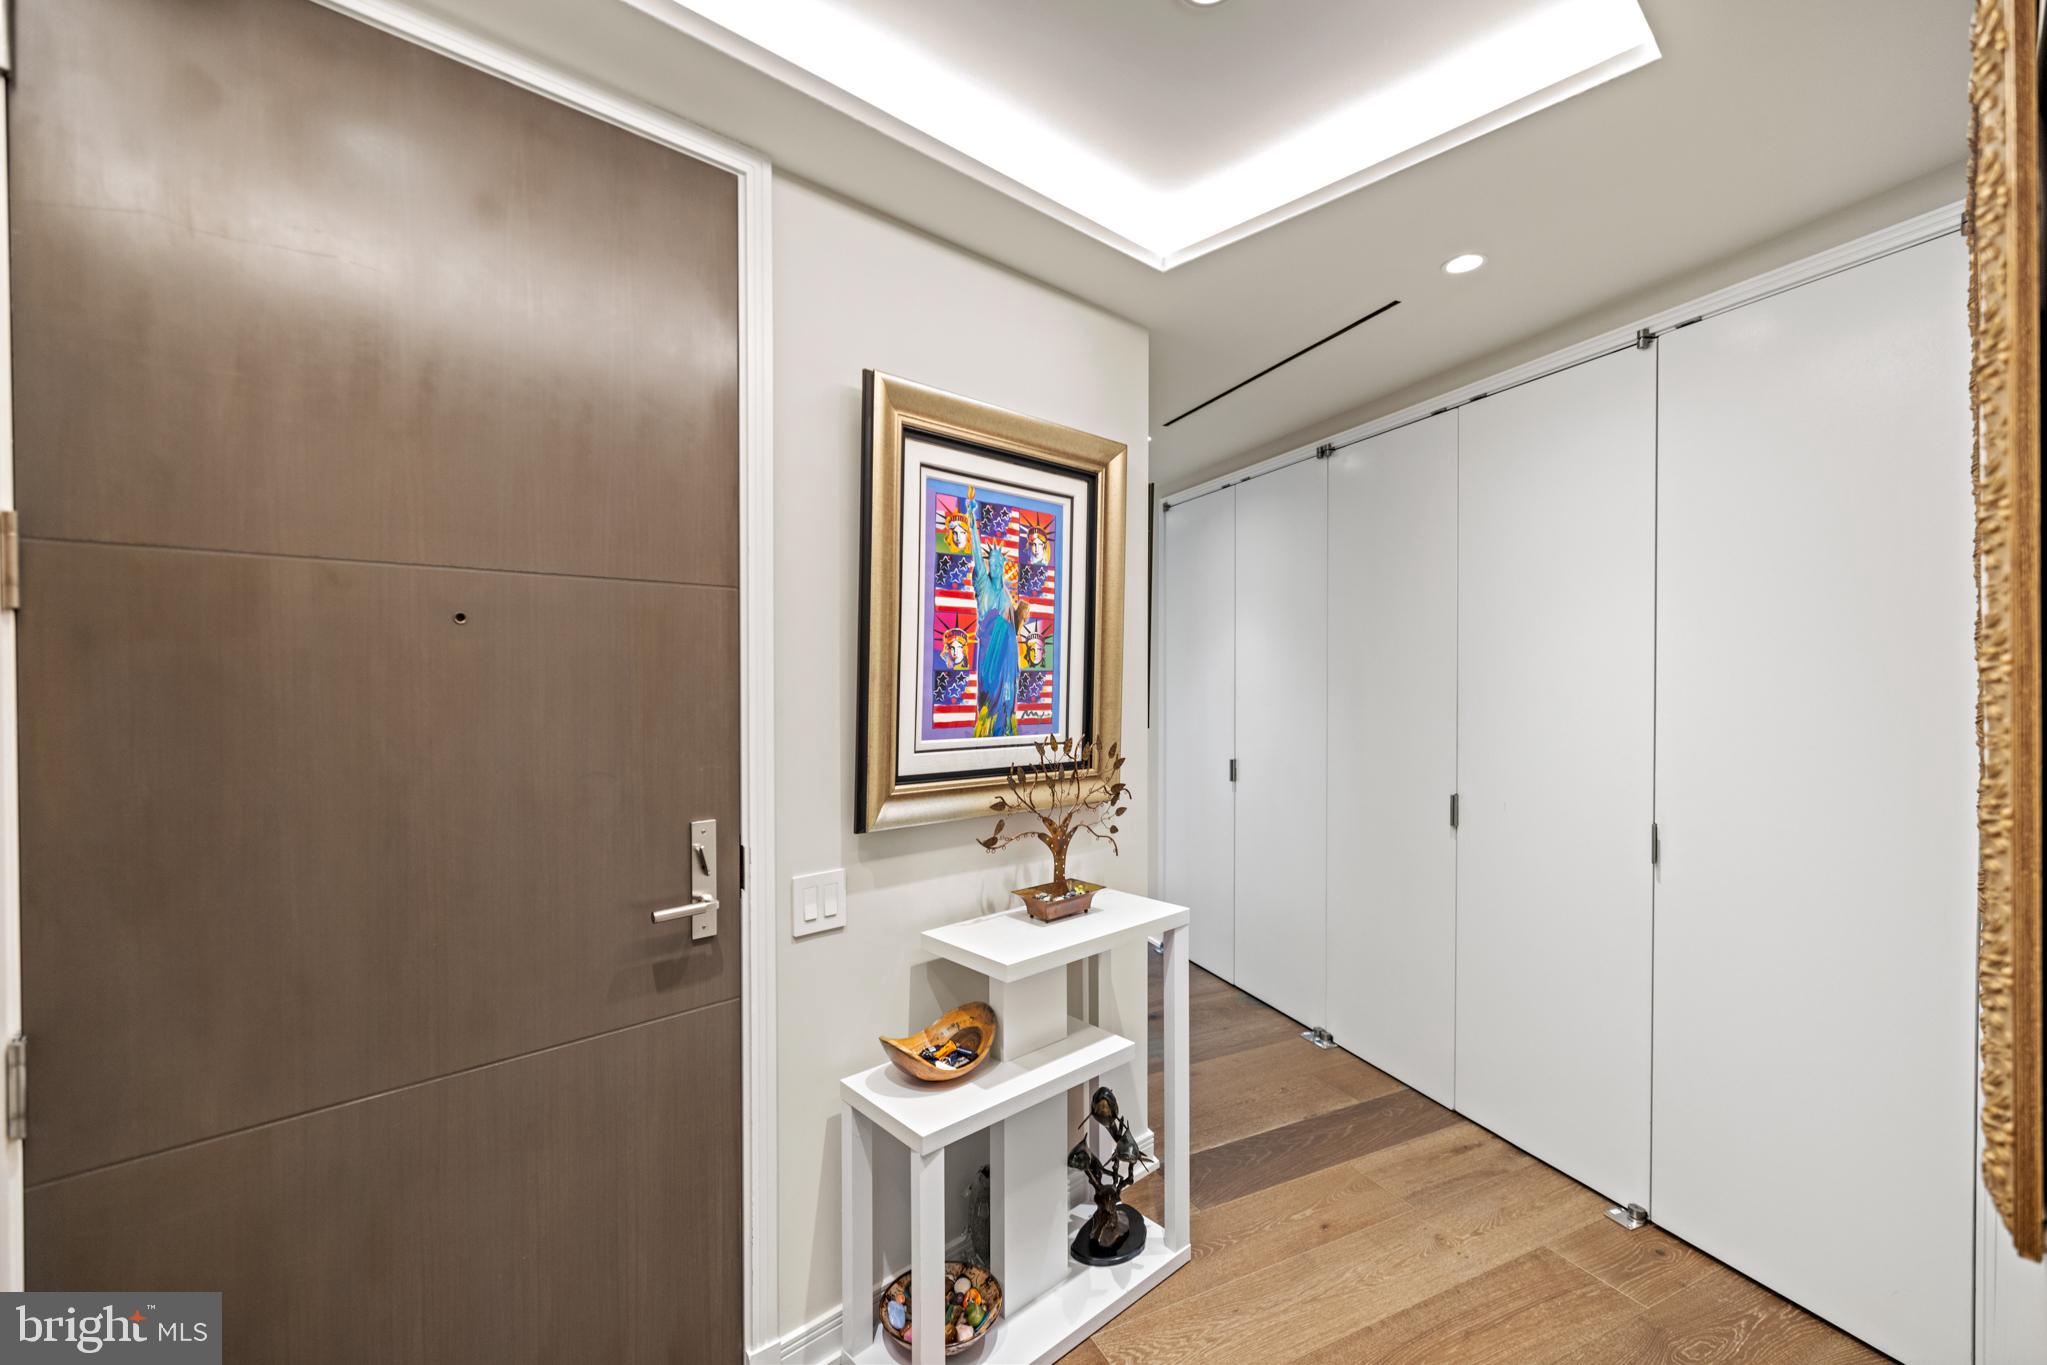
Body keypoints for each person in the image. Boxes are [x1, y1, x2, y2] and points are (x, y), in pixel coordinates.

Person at [965, 487, 1020, 737]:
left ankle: (1002, 729)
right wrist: (972, 522)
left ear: (1003, 566)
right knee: (987, 697)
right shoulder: (984, 586)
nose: (996, 566)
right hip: (987, 655)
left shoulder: (1006, 596)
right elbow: (976, 552)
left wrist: (1012, 625)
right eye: (993, 563)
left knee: (1004, 697)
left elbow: (1011, 630)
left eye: (1000, 563)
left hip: (1004, 661)